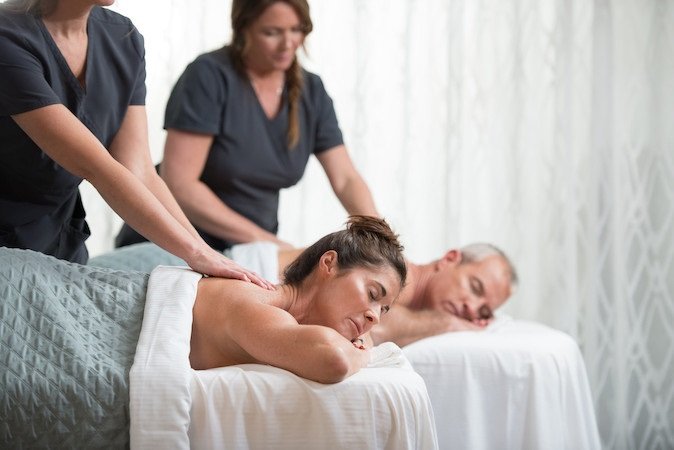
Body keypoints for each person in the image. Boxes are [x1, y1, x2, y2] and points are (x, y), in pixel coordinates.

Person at [0, 0, 270, 287]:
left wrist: (205, 252)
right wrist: (195, 253)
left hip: (59, 237)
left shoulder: (122, 38)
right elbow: (96, 167)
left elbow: (139, 169)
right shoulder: (7, 37)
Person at [115, 0, 379, 251]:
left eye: (297, 30)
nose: (288, 44)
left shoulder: (312, 92)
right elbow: (181, 186)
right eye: (272, 33)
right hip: (172, 244)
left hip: (250, 250)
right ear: (243, 28)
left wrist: (379, 236)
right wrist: (272, 246)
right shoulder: (208, 76)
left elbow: (345, 179)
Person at [190, 215, 407, 383]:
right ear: (329, 263)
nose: (375, 317)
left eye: (383, 310)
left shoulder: (289, 323)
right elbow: (334, 360)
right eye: (372, 294)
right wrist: (365, 354)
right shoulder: (257, 304)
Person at [275, 242, 518, 347]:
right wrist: (448, 323)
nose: (472, 308)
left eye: (483, 310)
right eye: (475, 287)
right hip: (252, 269)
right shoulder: (400, 274)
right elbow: (371, 329)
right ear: (449, 259)